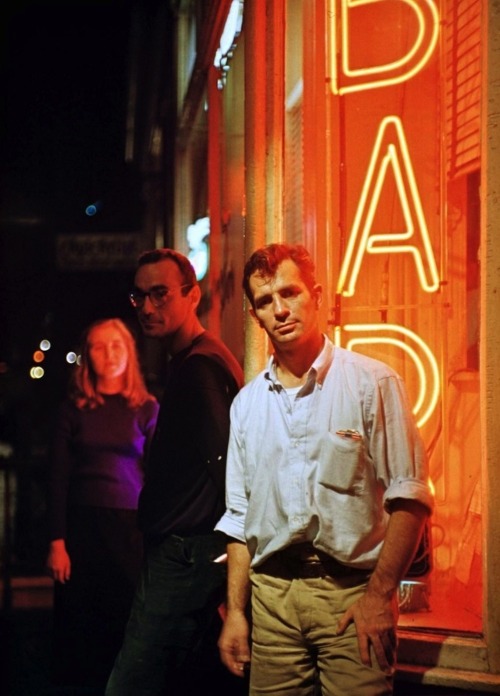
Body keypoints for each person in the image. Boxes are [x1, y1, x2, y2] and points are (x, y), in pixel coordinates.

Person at [215, 243, 434, 696]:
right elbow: (239, 520)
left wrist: (379, 595)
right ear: (255, 315)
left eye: (290, 293)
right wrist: (236, 612)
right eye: (264, 301)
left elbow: (410, 497)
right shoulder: (247, 405)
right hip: (272, 597)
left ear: (316, 295)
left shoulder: (372, 383)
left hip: (350, 593)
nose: (279, 310)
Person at [105, 248, 245, 696]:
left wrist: (231, 553)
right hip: (190, 550)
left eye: (160, 294)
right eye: (139, 296)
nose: (147, 307)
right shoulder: (194, 360)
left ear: (193, 295)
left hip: (186, 553)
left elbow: (226, 464)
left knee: (132, 684)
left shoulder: (199, 367)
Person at [46, 317, 159, 692]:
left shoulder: (146, 408)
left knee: (124, 627)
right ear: (87, 357)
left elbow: (159, 477)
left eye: (117, 345)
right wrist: (57, 542)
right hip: (82, 532)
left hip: (129, 532)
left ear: (129, 352)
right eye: (98, 346)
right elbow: (58, 478)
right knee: (79, 629)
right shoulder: (72, 409)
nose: (109, 354)